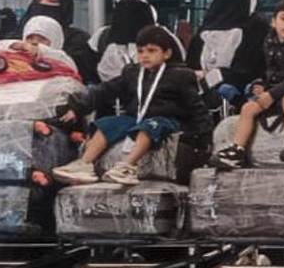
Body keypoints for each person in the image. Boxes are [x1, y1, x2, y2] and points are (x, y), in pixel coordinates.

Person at [51, 25, 212, 186]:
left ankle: (127, 166)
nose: (145, 56)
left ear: (167, 53)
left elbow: (197, 107)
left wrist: (203, 138)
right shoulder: (133, 73)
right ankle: (84, 164)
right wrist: (78, 106)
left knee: (149, 126)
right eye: (141, 51)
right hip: (137, 117)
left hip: (169, 121)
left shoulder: (181, 75)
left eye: (151, 50)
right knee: (108, 123)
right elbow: (106, 90)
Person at [210, 0, 284, 169]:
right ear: (274, 21)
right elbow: (270, 70)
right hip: (275, 88)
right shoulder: (270, 42)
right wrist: (261, 84)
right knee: (248, 108)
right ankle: (237, 150)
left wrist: (272, 95)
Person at [187, 0, 269, 105]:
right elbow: (191, 66)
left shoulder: (256, 27)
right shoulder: (204, 29)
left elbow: (252, 68)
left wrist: (215, 76)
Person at [18, 0, 96, 83]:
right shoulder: (17, 35)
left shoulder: (78, 39)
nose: (44, 4)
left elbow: (79, 71)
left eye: (52, 0)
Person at [87, 0, 158, 82]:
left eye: (136, 0)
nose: (129, 5)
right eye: (123, 0)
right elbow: (90, 72)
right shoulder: (100, 37)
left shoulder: (163, 37)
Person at [0, 15, 78, 72]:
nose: (34, 42)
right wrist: (17, 45)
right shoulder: (19, 57)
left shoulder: (63, 59)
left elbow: (61, 58)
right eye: (30, 38)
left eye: (42, 39)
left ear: (55, 40)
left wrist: (41, 50)